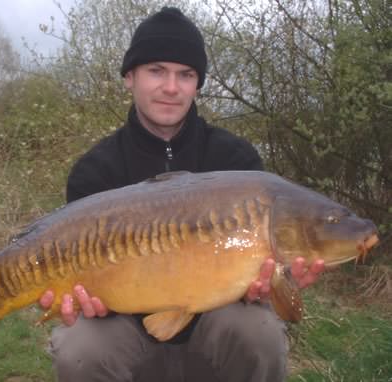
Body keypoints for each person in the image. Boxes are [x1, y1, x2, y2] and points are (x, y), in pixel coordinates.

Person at [40, 7, 324, 382]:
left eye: (185, 75)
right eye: (156, 71)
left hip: (215, 324)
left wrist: (275, 284)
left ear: (198, 83)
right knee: (81, 349)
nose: (171, 88)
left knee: (260, 332)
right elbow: (83, 275)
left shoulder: (236, 160)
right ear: (130, 77)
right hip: (126, 328)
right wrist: (85, 299)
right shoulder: (95, 171)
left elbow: (260, 277)